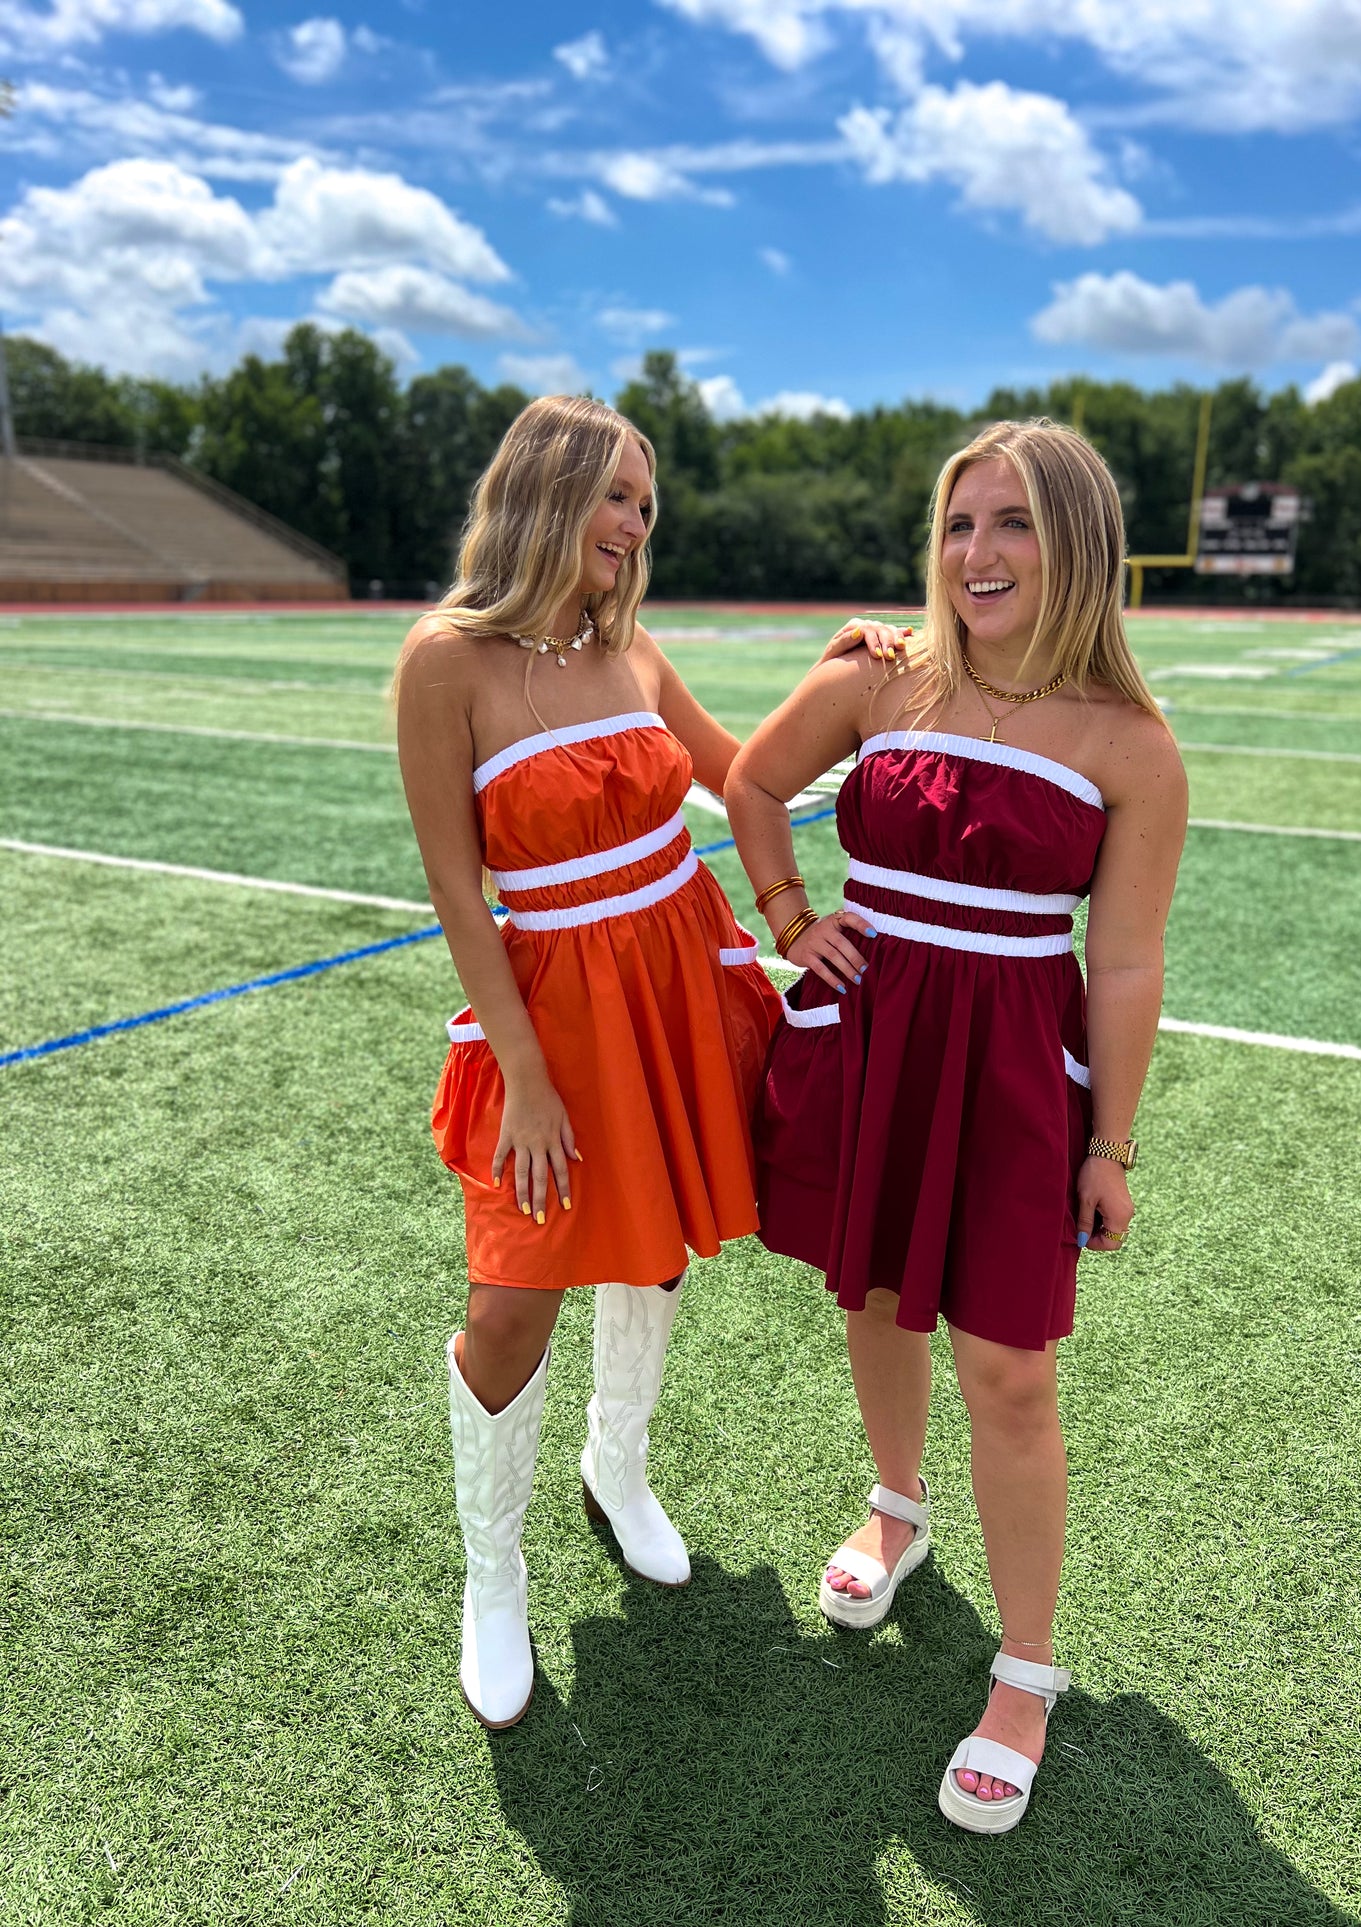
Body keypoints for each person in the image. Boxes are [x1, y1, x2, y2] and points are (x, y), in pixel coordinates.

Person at [394, 396, 884, 1732]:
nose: (633, 523)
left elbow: (748, 777)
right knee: (513, 1294)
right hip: (553, 1011)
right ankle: (492, 1575)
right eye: (615, 494)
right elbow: (454, 888)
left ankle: (618, 1471)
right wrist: (525, 1073)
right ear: (545, 491)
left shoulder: (628, 645)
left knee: (654, 1247)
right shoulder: (445, 659)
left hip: (676, 978)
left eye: (644, 503)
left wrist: (846, 685)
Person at [724, 419, 1187, 1833]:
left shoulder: (1131, 744)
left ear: (1078, 544)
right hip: (873, 1034)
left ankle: (1025, 1674)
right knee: (872, 1291)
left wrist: (1110, 1146)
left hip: (1009, 1067)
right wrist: (790, 914)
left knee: (1010, 1370)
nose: (977, 553)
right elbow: (750, 782)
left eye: (1014, 523)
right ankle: (896, 1507)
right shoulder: (881, 677)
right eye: (959, 523)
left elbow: (1123, 963)